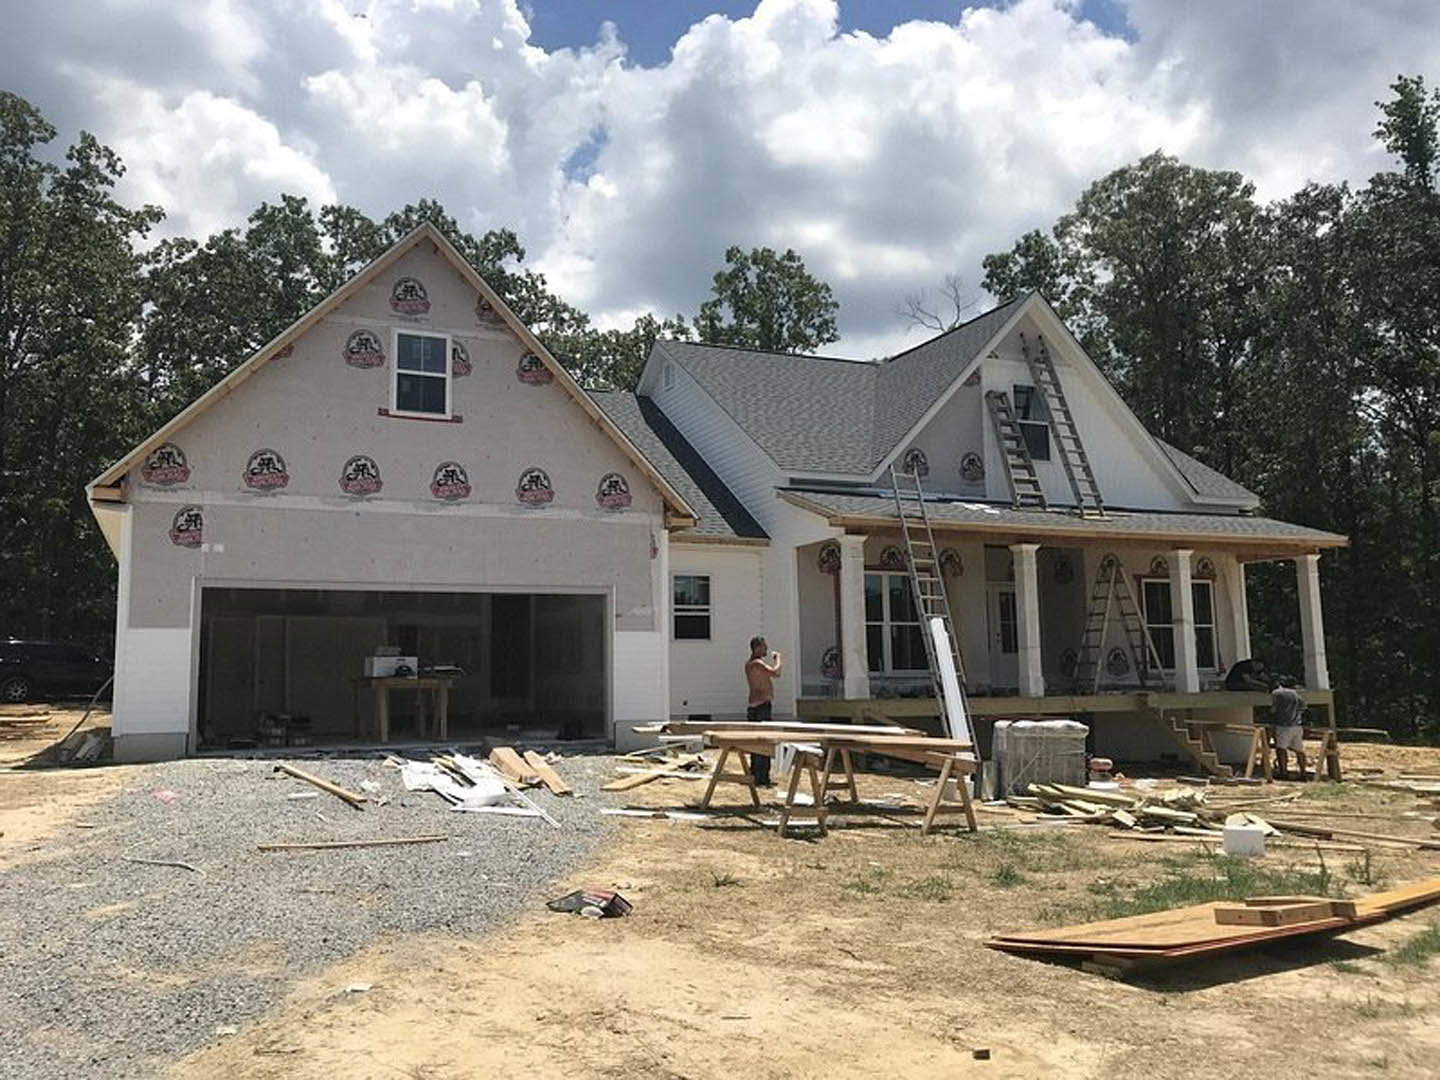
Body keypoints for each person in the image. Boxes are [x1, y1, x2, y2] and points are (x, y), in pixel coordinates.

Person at [744, 635, 783, 787]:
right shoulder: (757, 664)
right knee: (764, 743)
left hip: (754, 706)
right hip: (761, 707)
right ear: (757, 647)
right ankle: (761, 778)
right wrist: (779, 658)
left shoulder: (749, 664)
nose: (766, 649)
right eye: (764, 646)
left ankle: (755, 774)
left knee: (755, 743)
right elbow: (776, 673)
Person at [1270, 677, 1308, 780]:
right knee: (1299, 750)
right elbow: (1304, 706)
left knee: (1281, 749)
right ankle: (1303, 772)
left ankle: (1283, 772)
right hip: (1297, 725)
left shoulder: (1276, 693)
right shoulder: (1296, 693)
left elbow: (1273, 709)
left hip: (1283, 725)